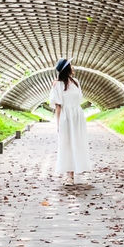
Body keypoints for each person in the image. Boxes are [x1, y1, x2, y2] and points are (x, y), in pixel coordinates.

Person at [49, 57, 91, 185]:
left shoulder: (76, 82)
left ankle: (76, 170)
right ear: (67, 68)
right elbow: (58, 106)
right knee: (66, 144)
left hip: (77, 116)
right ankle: (69, 176)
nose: (73, 67)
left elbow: (78, 99)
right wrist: (58, 123)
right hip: (65, 116)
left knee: (77, 142)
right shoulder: (57, 85)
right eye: (70, 65)